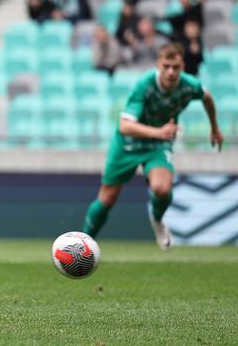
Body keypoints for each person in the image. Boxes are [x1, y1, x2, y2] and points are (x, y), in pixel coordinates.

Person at [82, 42, 222, 251]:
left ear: (182, 65)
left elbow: (207, 97)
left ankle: (157, 221)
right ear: (158, 64)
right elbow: (125, 125)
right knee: (107, 198)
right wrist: (159, 132)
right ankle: (83, 243)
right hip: (127, 144)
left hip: (157, 145)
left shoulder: (189, 85)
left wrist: (214, 128)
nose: (171, 72)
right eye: (166, 66)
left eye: (175, 67)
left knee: (162, 188)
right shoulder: (145, 85)